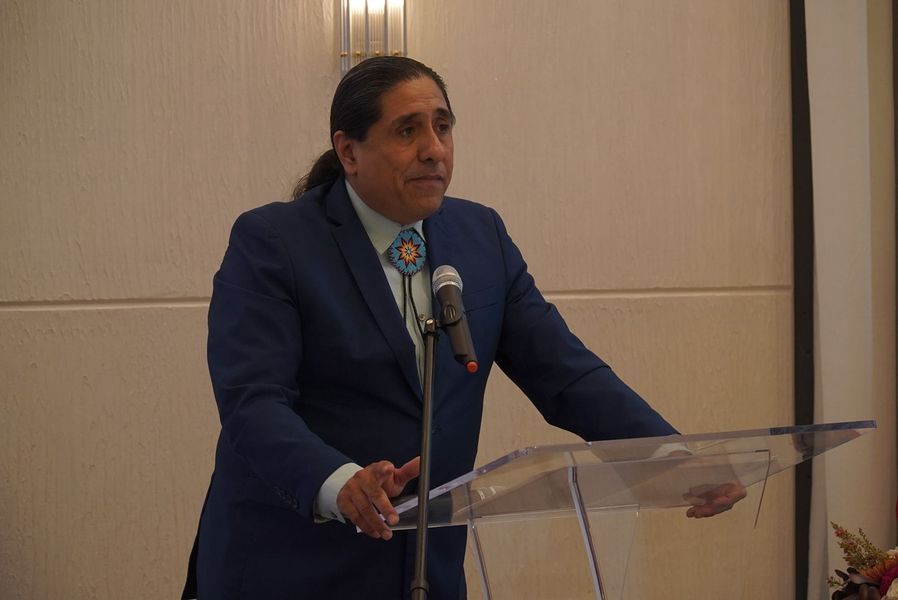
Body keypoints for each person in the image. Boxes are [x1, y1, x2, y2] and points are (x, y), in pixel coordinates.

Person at [182, 56, 737, 600]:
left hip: (424, 569)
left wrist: (672, 459)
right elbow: (253, 402)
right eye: (408, 130)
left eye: (443, 127)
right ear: (349, 151)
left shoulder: (480, 237)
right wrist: (339, 482)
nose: (434, 149)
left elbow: (566, 375)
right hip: (290, 564)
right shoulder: (275, 242)